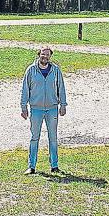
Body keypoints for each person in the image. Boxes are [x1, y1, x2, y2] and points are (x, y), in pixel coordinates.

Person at [20, 46, 67, 175]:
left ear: (50, 56)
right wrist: (23, 107)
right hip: (36, 109)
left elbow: (61, 88)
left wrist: (63, 105)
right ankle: (31, 166)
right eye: (42, 54)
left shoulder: (56, 70)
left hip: (52, 109)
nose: (44, 57)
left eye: (47, 55)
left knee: (53, 138)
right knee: (34, 138)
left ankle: (54, 165)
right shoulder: (31, 70)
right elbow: (25, 89)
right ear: (39, 54)